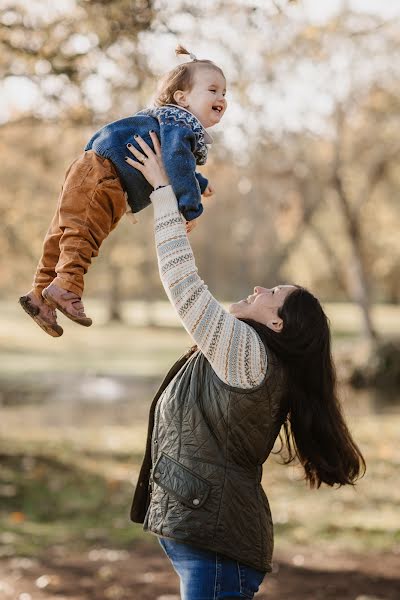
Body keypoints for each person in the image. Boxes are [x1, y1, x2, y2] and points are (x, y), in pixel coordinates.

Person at [126, 132, 366, 600]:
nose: (258, 289)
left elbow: (183, 284)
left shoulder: (249, 355)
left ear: (276, 322)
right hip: (210, 540)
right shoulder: (249, 353)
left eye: (270, 294)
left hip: (219, 547)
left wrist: (162, 192)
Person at [19, 46, 226, 337]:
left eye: (224, 93)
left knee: (63, 234)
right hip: (106, 175)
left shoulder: (165, 121)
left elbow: (174, 162)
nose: (221, 98)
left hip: (88, 169)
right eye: (213, 90)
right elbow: (177, 161)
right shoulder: (181, 123)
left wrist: (200, 184)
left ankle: (40, 295)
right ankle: (66, 287)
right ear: (182, 97)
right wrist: (190, 207)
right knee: (83, 235)